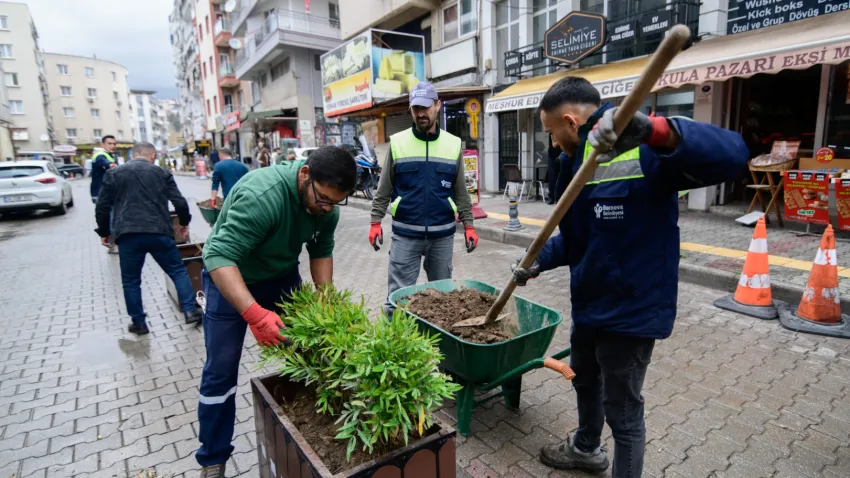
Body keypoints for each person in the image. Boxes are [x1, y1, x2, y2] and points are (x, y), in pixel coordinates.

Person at [510, 77, 748, 477]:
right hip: (590, 303)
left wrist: (656, 132)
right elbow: (579, 239)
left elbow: (734, 154)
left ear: (570, 122)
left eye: (551, 133)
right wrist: (538, 260)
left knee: (622, 412)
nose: (551, 144)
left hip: (630, 310)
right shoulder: (575, 163)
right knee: (585, 380)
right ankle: (586, 449)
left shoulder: (640, 145)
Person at [195, 146, 357, 478]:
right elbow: (219, 257)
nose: (327, 208)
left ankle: (315, 418)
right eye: (323, 198)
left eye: (335, 202)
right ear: (304, 174)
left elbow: (321, 250)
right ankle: (213, 457)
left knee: (310, 346)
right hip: (230, 277)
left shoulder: (327, 208)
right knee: (221, 369)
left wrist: (325, 299)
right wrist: (255, 314)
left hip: (280, 276)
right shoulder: (263, 196)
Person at [369, 82, 479, 317]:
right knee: (397, 300)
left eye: (425, 107)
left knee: (443, 300)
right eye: (415, 108)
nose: (420, 113)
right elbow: (384, 187)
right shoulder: (398, 142)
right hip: (405, 235)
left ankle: (439, 348)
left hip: (442, 236)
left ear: (437, 106)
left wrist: (469, 225)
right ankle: (396, 348)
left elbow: (461, 191)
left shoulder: (452, 144)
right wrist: (375, 221)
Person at [95, 142, 203, 336]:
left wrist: (104, 232)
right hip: (158, 231)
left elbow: (102, 207)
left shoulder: (114, 174)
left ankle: (139, 323)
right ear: (152, 155)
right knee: (177, 270)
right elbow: (179, 201)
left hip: (127, 234)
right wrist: (184, 222)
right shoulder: (161, 173)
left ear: (133, 155)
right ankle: (189, 310)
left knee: (130, 280)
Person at [90, 135, 120, 253]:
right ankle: (113, 244)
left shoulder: (110, 155)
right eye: (109, 143)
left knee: (111, 217)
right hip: (101, 192)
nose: (112, 146)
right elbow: (106, 164)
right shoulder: (100, 155)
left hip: (108, 192)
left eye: (114, 143)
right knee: (110, 217)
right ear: (102, 145)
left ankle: (111, 242)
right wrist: (112, 165)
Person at [546, 134, 562, 204]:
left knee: (561, 176)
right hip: (552, 155)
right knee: (552, 177)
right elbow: (554, 144)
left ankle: (559, 197)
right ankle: (551, 197)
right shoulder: (552, 131)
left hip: (562, 154)